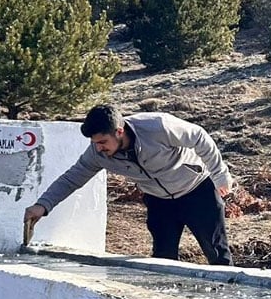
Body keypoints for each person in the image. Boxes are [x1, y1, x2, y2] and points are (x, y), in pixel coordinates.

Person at [24, 104, 235, 265]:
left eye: (102, 142)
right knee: (162, 260)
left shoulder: (158, 126)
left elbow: (199, 137)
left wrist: (220, 175)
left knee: (217, 255)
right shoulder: (97, 154)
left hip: (197, 190)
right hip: (159, 202)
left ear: (119, 131)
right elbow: (72, 179)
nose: (98, 149)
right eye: (94, 143)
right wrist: (43, 205)